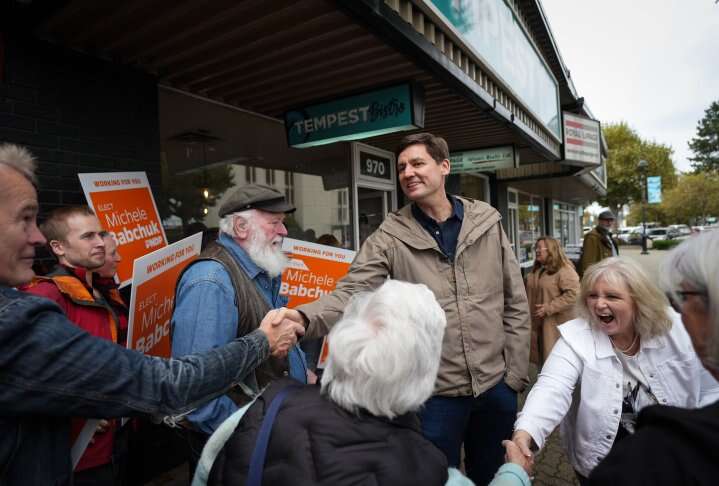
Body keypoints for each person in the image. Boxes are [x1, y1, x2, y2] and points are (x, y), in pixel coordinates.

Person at [0, 143, 304, 485]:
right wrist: (261, 352)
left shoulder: (264, 272)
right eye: (25, 218)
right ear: (242, 228)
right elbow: (175, 388)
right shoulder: (211, 279)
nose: (38, 236)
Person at [283, 132, 530, 485]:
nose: (408, 173)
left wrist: (514, 376)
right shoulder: (390, 235)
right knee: (432, 478)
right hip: (434, 397)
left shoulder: (486, 222)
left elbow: (515, 301)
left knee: (492, 474)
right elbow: (352, 292)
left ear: (444, 167)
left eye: (417, 163)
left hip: (495, 389)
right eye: (401, 168)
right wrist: (304, 317)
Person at [195, 280, 471, 486]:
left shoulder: (264, 409)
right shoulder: (434, 471)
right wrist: (513, 473)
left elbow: (206, 474)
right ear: (424, 372)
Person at [512, 256, 719, 484]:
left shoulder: (677, 328)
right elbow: (552, 388)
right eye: (592, 295)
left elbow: (711, 388)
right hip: (602, 467)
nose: (599, 304)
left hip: (675, 461)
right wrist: (526, 432)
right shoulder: (577, 336)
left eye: (611, 296)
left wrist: (700, 443)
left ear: (638, 300)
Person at [171, 184, 309, 465]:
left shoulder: (258, 268)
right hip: (240, 448)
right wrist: (253, 435)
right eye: (275, 223)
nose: (283, 232)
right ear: (242, 227)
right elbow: (195, 393)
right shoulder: (210, 280)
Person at [587, 230, 719, 485]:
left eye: (681, 297)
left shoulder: (653, 458)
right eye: (593, 296)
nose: (679, 314)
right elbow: (553, 385)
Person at [22, 206, 127, 484]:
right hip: (74, 459)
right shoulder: (47, 295)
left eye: (101, 234)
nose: (100, 243)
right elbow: (26, 378)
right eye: (88, 236)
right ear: (58, 247)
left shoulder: (104, 292)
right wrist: (76, 405)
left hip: (113, 445)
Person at [526, 236, 580, 365]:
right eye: (536, 248)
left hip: (554, 327)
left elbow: (575, 294)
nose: (537, 251)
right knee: (541, 362)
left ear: (551, 250)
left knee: (554, 363)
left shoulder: (565, 270)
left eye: (540, 248)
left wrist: (549, 308)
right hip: (536, 326)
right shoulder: (537, 270)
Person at [578, 210, 618, 275]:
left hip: (609, 271)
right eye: (606, 220)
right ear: (599, 221)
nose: (609, 223)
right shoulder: (592, 236)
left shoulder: (607, 235)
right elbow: (588, 261)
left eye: (611, 220)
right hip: (600, 274)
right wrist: (589, 276)